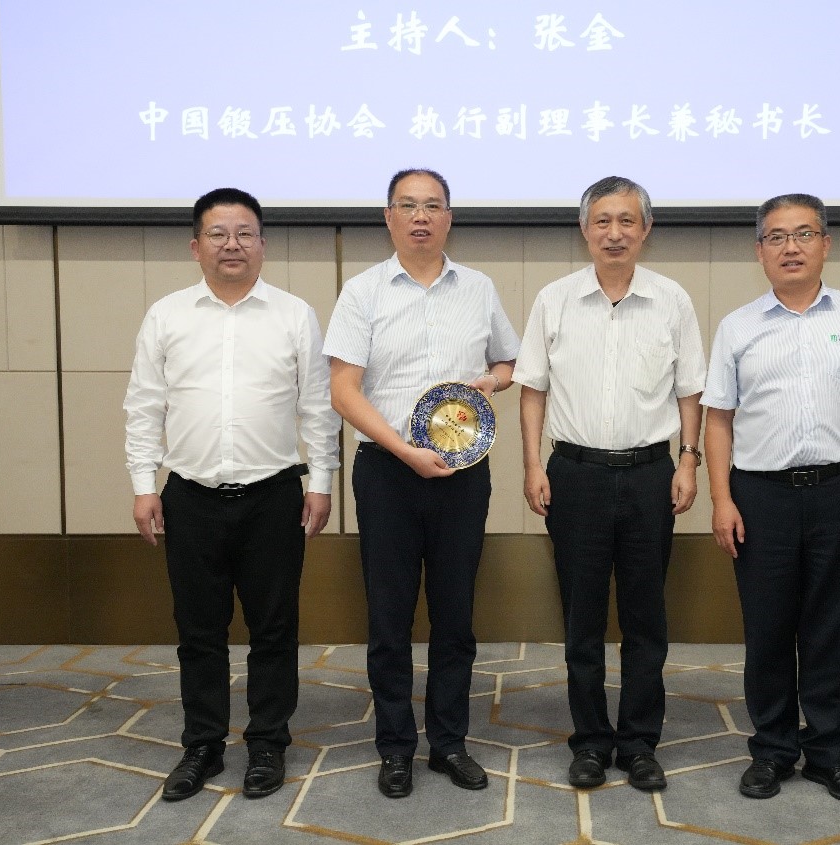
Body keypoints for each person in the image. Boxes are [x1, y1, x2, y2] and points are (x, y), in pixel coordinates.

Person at [124, 187, 340, 802]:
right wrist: (143, 486)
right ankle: (203, 744)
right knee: (199, 631)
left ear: (263, 245)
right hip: (189, 496)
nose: (232, 245)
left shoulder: (293, 314)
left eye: (245, 233)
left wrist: (320, 482)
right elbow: (144, 406)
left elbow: (317, 407)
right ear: (196, 247)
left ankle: (268, 742)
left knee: (274, 628)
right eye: (218, 234)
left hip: (273, 495)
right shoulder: (167, 315)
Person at [324, 168, 521, 798]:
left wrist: (491, 382)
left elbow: (508, 360)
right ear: (388, 217)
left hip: (463, 472)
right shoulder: (362, 292)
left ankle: (450, 742)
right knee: (389, 617)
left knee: (455, 615)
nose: (420, 216)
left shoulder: (479, 288)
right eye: (407, 205)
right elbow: (343, 390)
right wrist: (403, 450)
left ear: (449, 217)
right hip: (387, 471)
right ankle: (395, 747)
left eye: (432, 205)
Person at [702, 193, 840, 805]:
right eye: (777, 237)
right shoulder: (738, 326)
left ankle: (828, 752)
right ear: (760, 250)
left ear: (826, 244)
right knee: (767, 628)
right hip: (760, 495)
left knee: (831, 627)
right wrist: (721, 499)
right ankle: (771, 750)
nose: (791, 247)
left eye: (804, 234)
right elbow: (718, 419)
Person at [514, 176, 706, 792]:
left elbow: (690, 391)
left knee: (646, 620)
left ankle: (640, 743)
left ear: (646, 229)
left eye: (627, 221)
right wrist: (533, 465)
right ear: (585, 229)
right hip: (575, 475)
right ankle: (591, 742)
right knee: (582, 619)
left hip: (651, 475)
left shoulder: (672, 300)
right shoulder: (555, 299)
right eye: (602, 221)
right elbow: (533, 389)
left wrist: (688, 461)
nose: (614, 233)